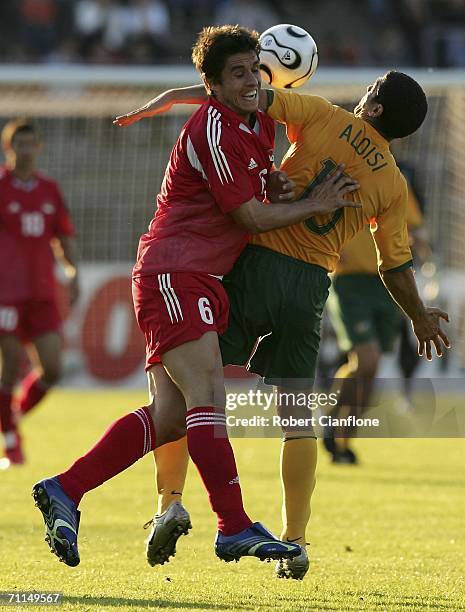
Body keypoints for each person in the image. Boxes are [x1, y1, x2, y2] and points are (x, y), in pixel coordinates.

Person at [32, 25, 359, 569]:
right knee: (207, 394)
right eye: (238, 73)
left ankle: (65, 489)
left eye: (255, 68)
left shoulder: (255, 122)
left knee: (170, 417)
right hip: (174, 272)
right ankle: (232, 525)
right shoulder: (213, 124)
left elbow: (254, 191)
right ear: (213, 84)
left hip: (196, 276)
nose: (252, 80)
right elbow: (248, 217)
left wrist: (275, 184)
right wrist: (312, 202)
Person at [114, 67, 450, 580]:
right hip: (311, 288)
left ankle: (171, 503)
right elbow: (395, 265)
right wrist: (420, 318)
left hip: (256, 267)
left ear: (375, 107)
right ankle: (295, 542)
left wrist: (176, 96)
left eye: (369, 92)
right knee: (298, 418)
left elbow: (243, 98)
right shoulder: (391, 183)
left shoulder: (320, 113)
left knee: (184, 391)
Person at [325, 172, 428, 464]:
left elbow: (413, 226)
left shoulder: (394, 179)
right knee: (366, 360)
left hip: (388, 283)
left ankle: (344, 440)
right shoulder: (343, 172)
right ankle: (332, 421)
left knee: (368, 368)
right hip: (349, 283)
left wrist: (420, 245)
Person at [0, 119, 79, 469]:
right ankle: (11, 444)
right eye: (20, 143)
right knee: (11, 367)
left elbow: (62, 234)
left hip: (42, 292)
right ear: (9, 148)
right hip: (6, 294)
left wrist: (72, 271)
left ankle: (13, 415)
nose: (26, 149)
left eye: (32, 143)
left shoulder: (49, 189)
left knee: (53, 368)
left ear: (39, 147)